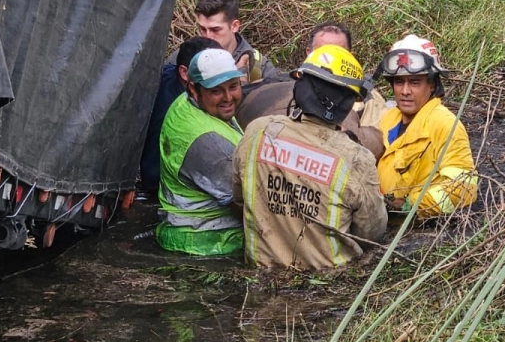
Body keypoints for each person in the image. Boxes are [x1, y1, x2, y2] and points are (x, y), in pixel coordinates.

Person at [233, 45, 388, 269]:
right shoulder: (356, 159)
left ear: (300, 85)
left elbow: (240, 200)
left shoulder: (257, 133)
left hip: (260, 278)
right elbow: (371, 232)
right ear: (347, 104)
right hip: (328, 285)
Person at [235, 22, 386, 159]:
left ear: (351, 57)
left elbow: (377, 145)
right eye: (324, 52)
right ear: (308, 53)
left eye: (339, 52)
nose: (332, 60)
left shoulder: (368, 99)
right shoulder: (277, 82)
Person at [157, 48, 245, 256]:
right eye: (216, 91)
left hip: (184, 232)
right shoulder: (207, 142)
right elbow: (246, 207)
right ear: (194, 90)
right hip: (208, 242)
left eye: (233, 86)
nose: (227, 98)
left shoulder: (186, 104)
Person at [377, 35, 477, 216]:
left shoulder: (445, 125)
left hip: (416, 231)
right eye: (399, 82)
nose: (405, 91)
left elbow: (463, 188)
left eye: (415, 82)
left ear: (431, 85)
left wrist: (410, 206)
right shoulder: (388, 119)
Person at [139, 37, 222, 192]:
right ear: (185, 73)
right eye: (212, 70)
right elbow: (152, 173)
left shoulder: (172, 75)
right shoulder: (170, 112)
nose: (220, 77)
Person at [167, 0, 281, 82]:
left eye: (215, 29)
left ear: (234, 26)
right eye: (202, 29)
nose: (207, 37)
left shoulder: (258, 67)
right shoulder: (181, 58)